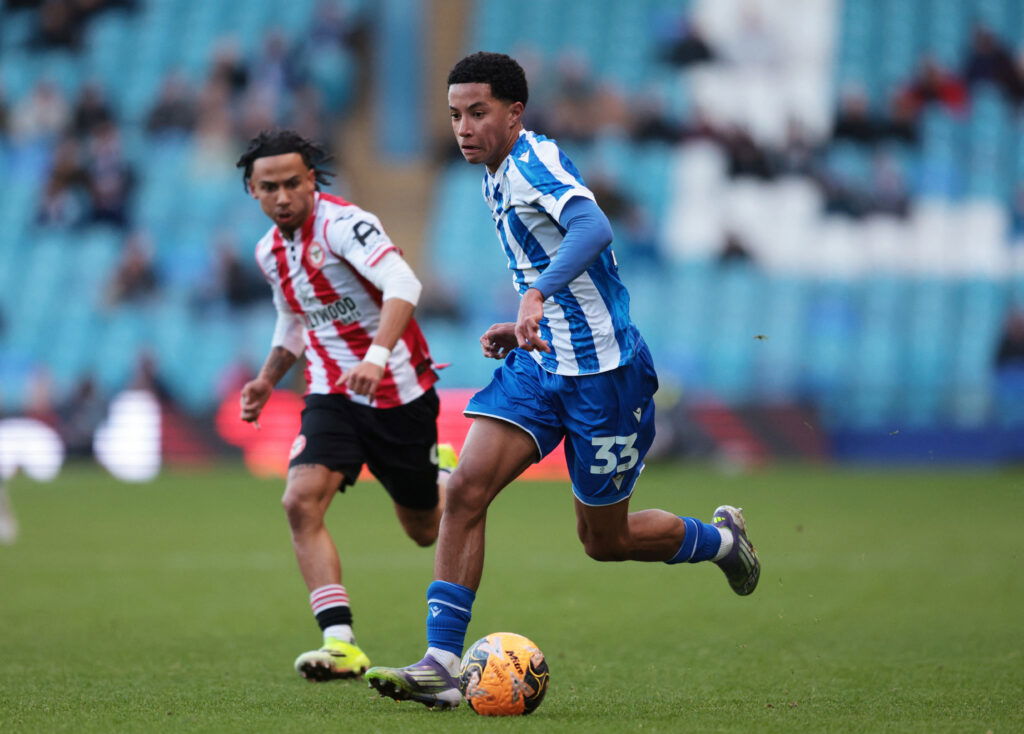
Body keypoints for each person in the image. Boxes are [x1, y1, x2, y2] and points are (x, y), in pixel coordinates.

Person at [365, 52, 760, 710]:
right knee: (465, 490)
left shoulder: (533, 162)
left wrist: (537, 294)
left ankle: (721, 541)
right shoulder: (493, 175)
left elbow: (593, 227)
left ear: (514, 113)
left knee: (606, 541)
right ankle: (441, 665)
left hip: (606, 377)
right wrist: (524, 318)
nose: (464, 127)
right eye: (455, 115)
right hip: (542, 362)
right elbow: (550, 262)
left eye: (478, 113)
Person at [235, 129, 456, 682]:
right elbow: (294, 319)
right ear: (253, 191)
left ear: (311, 180)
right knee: (299, 501)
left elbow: (403, 282)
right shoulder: (268, 252)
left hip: (397, 390)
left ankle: (443, 475)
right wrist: (266, 380)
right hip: (331, 394)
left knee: (424, 530)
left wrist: (376, 357)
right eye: (269, 187)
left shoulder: (344, 225)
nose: (283, 196)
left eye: (292, 183)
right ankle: (340, 644)